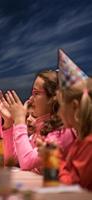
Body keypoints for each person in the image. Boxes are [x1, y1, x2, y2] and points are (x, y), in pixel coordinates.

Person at [0, 69, 76, 172]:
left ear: (53, 98)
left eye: (36, 93)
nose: (30, 99)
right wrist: (8, 124)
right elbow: (11, 160)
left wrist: (20, 120)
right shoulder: (40, 129)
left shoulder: (63, 132)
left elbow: (26, 162)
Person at [56, 49, 92, 190]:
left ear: (75, 106)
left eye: (60, 106)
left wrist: (54, 159)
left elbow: (72, 187)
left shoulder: (89, 144)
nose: (58, 113)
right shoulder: (80, 141)